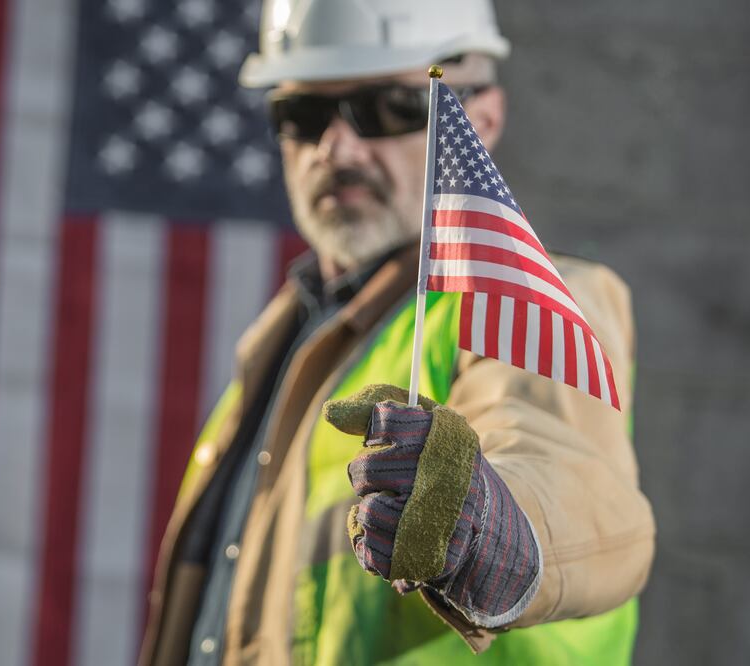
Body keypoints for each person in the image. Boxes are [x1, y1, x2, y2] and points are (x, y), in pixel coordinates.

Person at [141, 0, 656, 663]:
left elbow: (571, 479)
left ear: (482, 118)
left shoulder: (516, 303)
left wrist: (491, 526)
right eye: (302, 115)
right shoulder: (285, 337)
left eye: (384, 109)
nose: (335, 148)